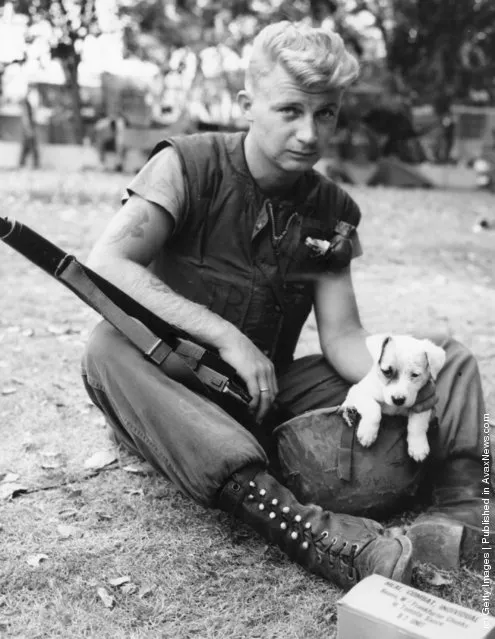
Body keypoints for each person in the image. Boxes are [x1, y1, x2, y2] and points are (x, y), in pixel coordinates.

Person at [81, 21, 491, 591]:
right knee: (104, 346)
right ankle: (315, 534)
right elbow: (107, 264)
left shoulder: (331, 209)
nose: (309, 132)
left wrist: (395, 380)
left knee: (446, 354)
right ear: (248, 104)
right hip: (171, 398)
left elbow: (345, 341)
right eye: (290, 110)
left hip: (264, 397)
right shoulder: (187, 165)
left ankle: (462, 509)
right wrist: (226, 336)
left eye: (325, 113)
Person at [18, 87, 40, 169]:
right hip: (28, 129)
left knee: (26, 148)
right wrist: (29, 129)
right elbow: (26, 117)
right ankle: (34, 165)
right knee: (33, 148)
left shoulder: (28, 103)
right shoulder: (26, 104)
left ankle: (22, 164)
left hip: (28, 128)